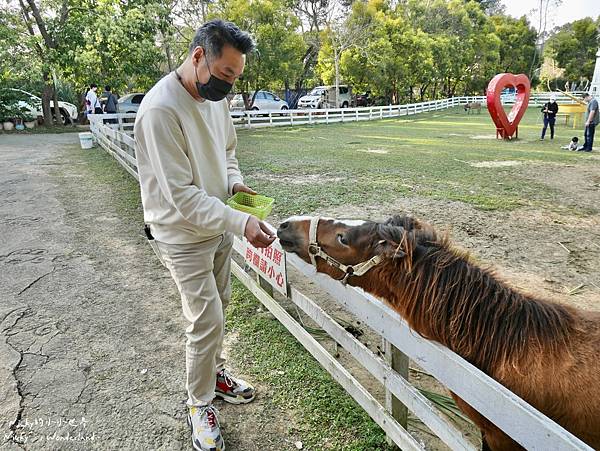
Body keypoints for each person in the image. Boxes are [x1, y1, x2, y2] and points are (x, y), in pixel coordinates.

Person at [134, 20, 275, 451]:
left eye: (236, 76)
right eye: (226, 74)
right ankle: (198, 404)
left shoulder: (217, 100)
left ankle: (214, 374)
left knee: (222, 303)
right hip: (181, 233)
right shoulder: (161, 110)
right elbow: (182, 197)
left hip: (218, 224)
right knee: (206, 318)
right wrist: (242, 223)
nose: (229, 86)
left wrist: (234, 185)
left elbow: (227, 152)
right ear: (199, 56)